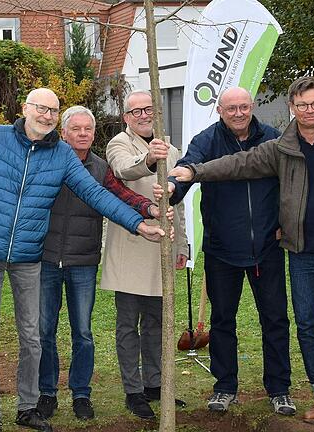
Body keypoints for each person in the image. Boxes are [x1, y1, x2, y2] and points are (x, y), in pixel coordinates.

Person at [168, 77, 314, 426]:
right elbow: (237, 164)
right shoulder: (280, 145)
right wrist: (191, 172)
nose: (309, 110)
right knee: (307, 325)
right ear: (292, 107)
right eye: (302, 105)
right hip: (294, 253)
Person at [0, 88, 168, 432]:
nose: (46, 115)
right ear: (25, 108)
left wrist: (138, 224)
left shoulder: (62, 155)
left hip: (29, 257)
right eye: (40, 108)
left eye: (53, 111)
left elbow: (97, 193)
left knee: (31, 336)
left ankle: (27, 407)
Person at [163, 87, 295, 416]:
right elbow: (186, 168)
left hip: (267, 247)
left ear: (253, 108)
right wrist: (171, 190)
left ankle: (279, 388)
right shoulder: (207, 140)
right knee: (223, 321)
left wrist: (285, 222)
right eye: (231, 108)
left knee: (276, 320)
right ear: (220, 110)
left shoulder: (273, 139)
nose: (238, 113)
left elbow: (292, 185)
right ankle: (225, 386)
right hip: (223, 249)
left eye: (244, 107)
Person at [36, 106, 171, 421]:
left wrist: (149, 209)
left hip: (83, 261)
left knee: (82, 331)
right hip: (45, 258)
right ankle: (47, 392)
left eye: (88, 129)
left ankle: (81, 394)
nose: (83, 134)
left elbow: (120, 196)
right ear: (64, 132)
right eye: (77, 129)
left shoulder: (99, 167)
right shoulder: (47, 161)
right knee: (45, 330)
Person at [100, 89, 188, 420]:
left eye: (148, 109)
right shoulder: (118, 144)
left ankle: (154, 384)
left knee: (156, 323)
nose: (142, 116)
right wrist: (151, 158)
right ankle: (133, 390)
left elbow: (175, 201)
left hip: (162, 248)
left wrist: (181, 245)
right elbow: (124, 171)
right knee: (128, 325)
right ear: (126, 117)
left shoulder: (172, 149)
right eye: (135, 111)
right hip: (131, 245)